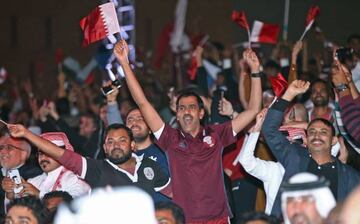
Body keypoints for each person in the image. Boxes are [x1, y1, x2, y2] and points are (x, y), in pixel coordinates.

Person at [114, 39, 262, 223]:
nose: (186, 111)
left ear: (201, 113)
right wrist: (124, 63)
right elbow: (142, 102)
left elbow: (254, 110)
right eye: (181, 108)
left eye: (191, 107)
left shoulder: (217, 134)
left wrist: (255, 71)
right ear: (176, 114)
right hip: (186, 220)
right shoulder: (169, 138)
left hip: (219, 219)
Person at [262, 80, 360, 217]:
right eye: (312, 132)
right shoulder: (294, 157)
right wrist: (289, 94)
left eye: (323, 132)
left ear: (334, 140)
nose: (316, 136)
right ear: (306, 140)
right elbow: (269, 130)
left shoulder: (350, 176)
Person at [5, 123, 172, 201]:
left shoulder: (149, 166)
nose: (116, 146)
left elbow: (173, 195)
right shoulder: (98, 169)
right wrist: (26, 134)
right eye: (110, 142)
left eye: (122, 140)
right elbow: (63, 155)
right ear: (105, 148)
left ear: (133, 145)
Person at [26, 132, 90, 199]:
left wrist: (39, 195)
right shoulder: (33, 181)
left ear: (60, 154)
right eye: (40, 154)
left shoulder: (74, 180)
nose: (43, 158)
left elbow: (72, 205)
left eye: (48, 153)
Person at [0, 136, 42, 216]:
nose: (2, 151)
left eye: (9, 147)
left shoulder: (36, 176)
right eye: (1, 148)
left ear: (23, 154)